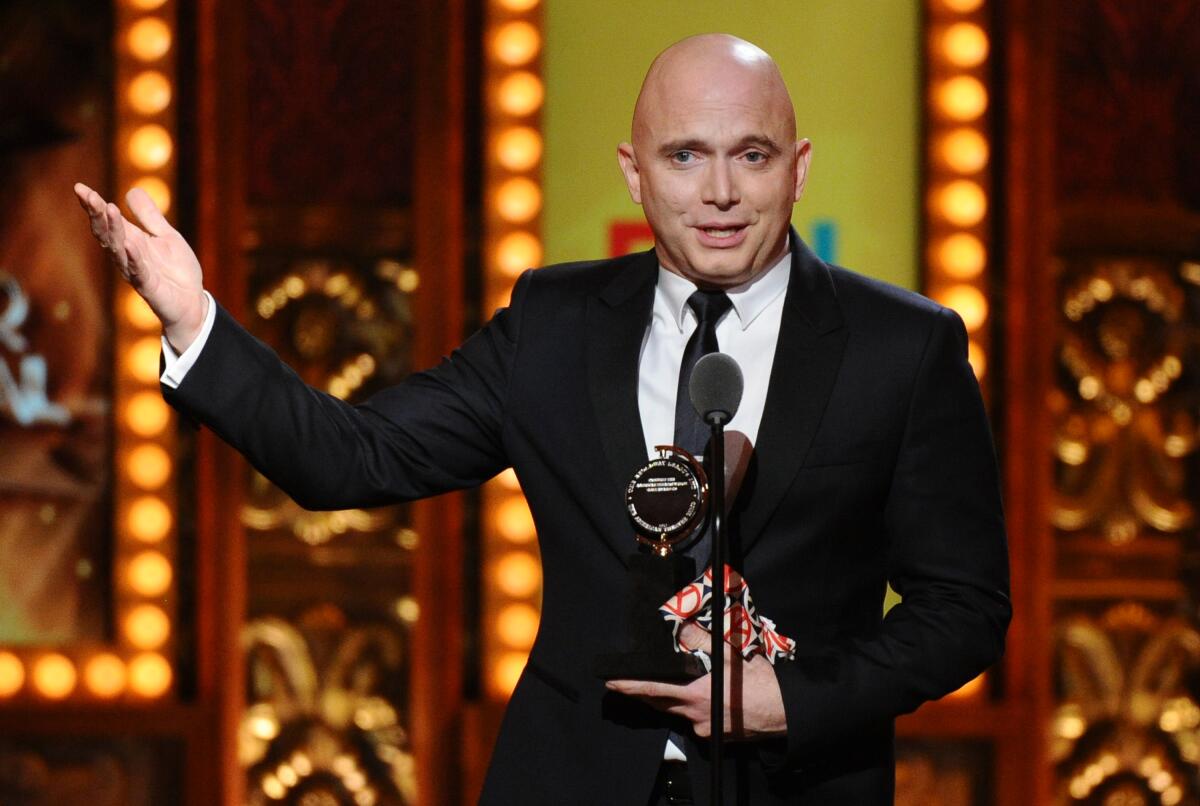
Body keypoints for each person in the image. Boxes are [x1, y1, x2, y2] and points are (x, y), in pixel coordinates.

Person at [77, 33, 1009, 806]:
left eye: (750, 156)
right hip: (570, 778)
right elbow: (351, 459)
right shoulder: (554, 326)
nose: (719, 193)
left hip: (799, 782)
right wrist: (195, 322)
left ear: (797, 170)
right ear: (635, 174)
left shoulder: (903, 347)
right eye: (685, 156)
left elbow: (963, 608)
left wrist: (795, 701)